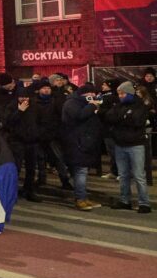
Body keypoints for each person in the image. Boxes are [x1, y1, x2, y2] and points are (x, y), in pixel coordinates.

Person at [105, 81, 151, 213]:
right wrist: (124, 117)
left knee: (138, 175)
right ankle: (125, 200)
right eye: (119, 93)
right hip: (120, 144)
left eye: (122, 93)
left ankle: (144, 203)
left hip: (136, 144)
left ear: (129, 93)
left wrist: (120, 118)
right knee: (123, 175)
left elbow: (136, 121)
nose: (120, 96)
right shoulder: (119, 106)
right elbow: (109, 117)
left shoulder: (140, 105)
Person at [61, 85, 105, 211]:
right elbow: (79, 116)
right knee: (81, 171)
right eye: (90, 93)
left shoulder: (82, 103)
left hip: (85, 142)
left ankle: (83, 197)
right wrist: (92, 106)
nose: (92, 96)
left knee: (82, 172)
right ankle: (80, 199)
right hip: (76, 143)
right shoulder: (71, 103)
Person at [5, 87, 41, 202]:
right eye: (22, 97)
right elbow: (8, 122)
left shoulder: (35, 107)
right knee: (16, 168)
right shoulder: (11, 106)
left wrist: (38, 134)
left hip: (32, 141)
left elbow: (41, 122)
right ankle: (12, 192)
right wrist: (19, 111)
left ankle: (29, 190)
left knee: (31, 169)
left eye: (26, 97)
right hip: (17, 142)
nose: (24, 99)